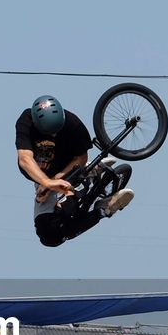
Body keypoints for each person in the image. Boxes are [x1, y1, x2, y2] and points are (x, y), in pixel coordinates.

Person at [16, 94, 134, 247]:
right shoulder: (27, 121)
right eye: (49, 132)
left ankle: (91, 173)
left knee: (58, 223)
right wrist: (47, 183)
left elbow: (81, 157)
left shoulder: (73, 123)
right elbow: (25, 158)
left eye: (57, 130)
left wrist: (60, 178)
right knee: (49, 236)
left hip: (71, 168)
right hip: (43, 178)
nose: (54, 135)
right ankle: (105, 209)